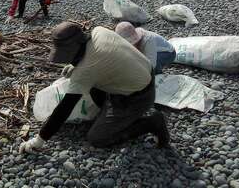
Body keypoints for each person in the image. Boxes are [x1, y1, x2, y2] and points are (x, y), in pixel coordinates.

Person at [19, 22, 169, 154]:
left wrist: (39, 140)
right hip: (143, 72)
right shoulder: (98, 31)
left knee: (97, 138)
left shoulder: (87, 70)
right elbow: (98, 57)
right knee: (90, 84)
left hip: (139, 96)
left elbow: (64, 108)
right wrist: (74, 65)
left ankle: (152, 122)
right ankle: (109, 114)